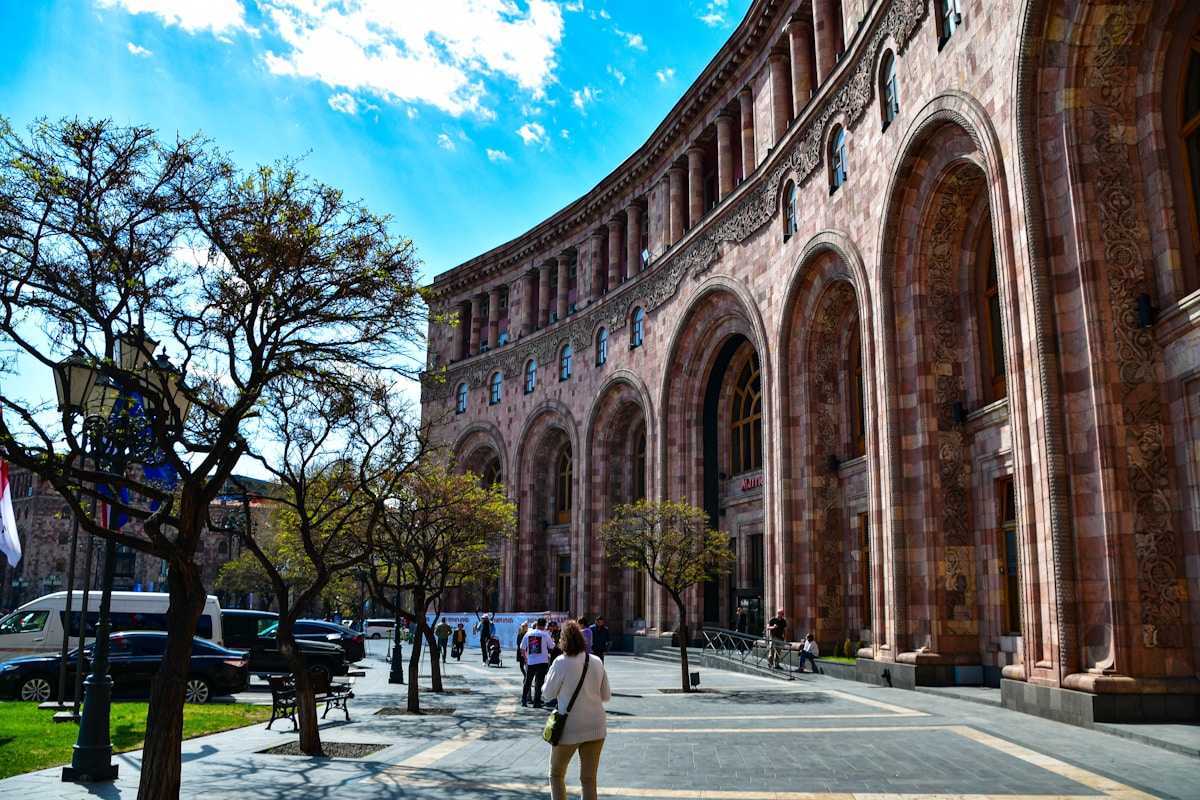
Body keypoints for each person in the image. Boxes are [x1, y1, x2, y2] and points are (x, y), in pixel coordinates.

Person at [544, 620, 612, 800]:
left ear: (563, 641)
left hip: (569, 728)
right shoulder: (596, 661)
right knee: (589, 780)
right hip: (596, 727)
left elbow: (547, 693)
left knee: (556, 774)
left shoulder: (561, 662)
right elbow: (606, 695)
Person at [520, 617, 554, 707]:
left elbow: (522, 648)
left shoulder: (528, 633)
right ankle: (536, 701)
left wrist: (526, 658)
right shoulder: (545, 634)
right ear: (544, 625)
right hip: (542, 661)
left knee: (528, 681)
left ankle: (523, 700)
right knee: (539, 681)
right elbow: (551, 646)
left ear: (537, 624)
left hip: (531, 661)